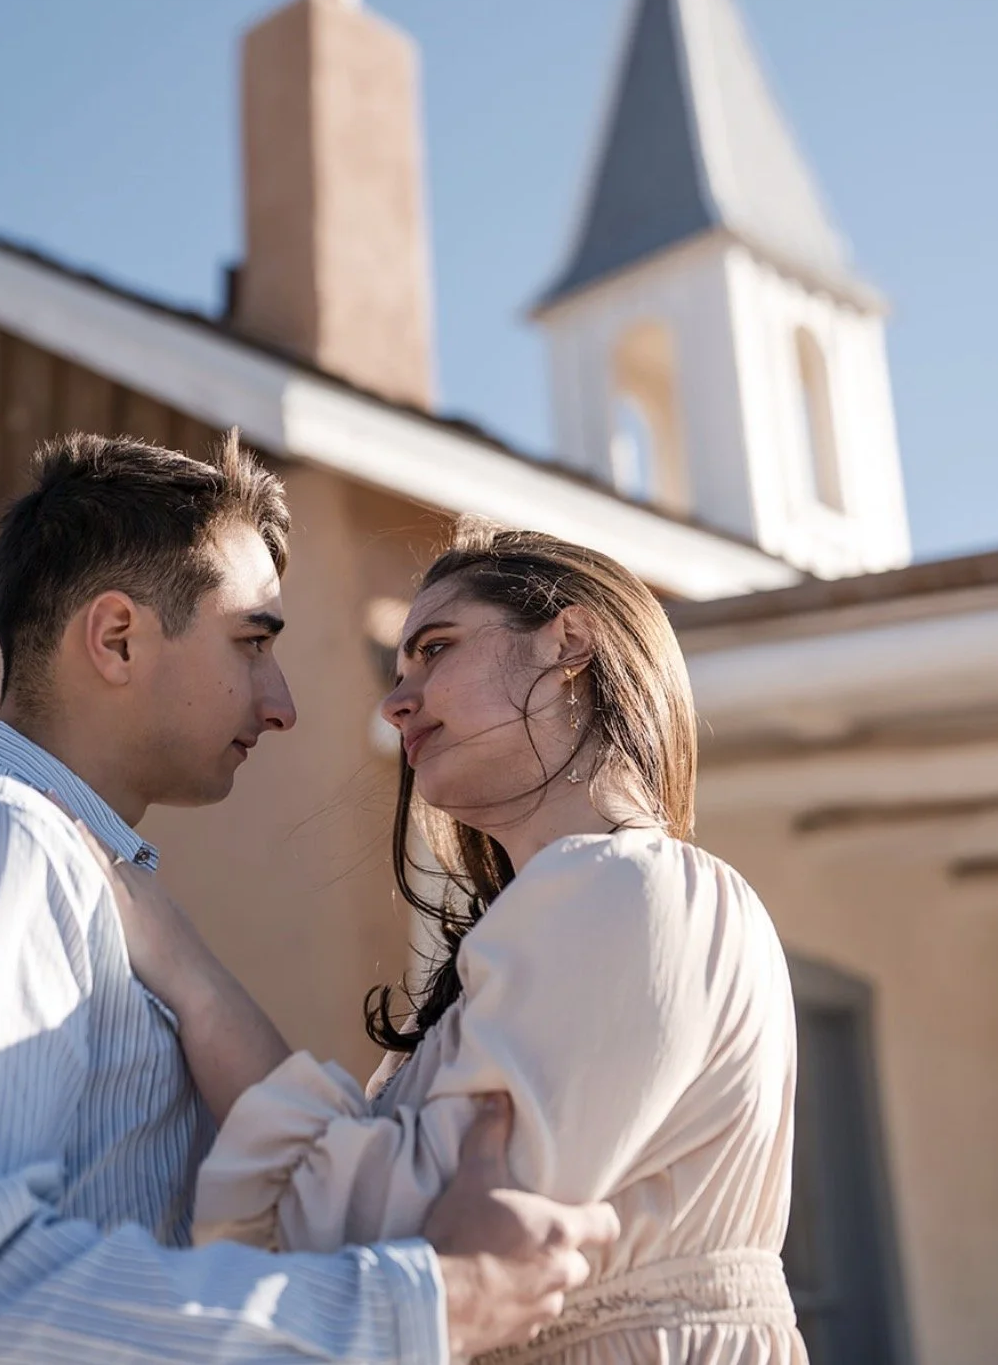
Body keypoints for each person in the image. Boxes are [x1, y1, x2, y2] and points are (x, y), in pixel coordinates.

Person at [0, 435, 618, 1365]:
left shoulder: (40, 867)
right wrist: (434, 1305)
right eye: (252, 642)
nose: (281, 705)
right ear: (117, 639)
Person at [91, 525, 807, 1362]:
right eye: (400, 672)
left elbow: (400, 1246)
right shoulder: (557, 921)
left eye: (436, 649)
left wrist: (184, 968)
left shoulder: (632, 889)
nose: (396, 703)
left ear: (569, 643)